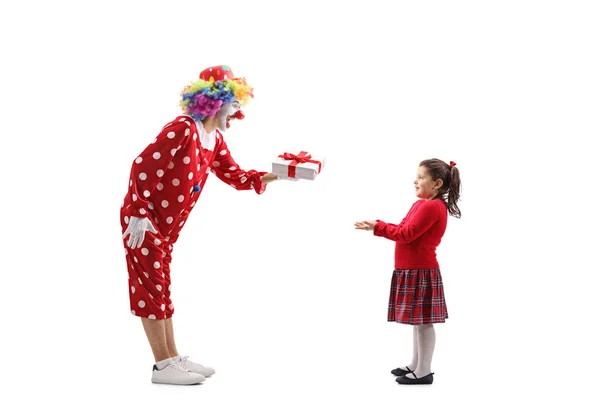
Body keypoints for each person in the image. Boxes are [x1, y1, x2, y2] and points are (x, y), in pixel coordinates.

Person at [120, 65, 294, 385]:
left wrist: (280, 174)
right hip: (143, 221)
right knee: (151, 288)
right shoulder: (183, 129)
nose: (238, 111)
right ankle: (162, 366)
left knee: (161, 288)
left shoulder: (213, 139)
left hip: (166, 227)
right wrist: (137, 213)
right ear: (216, 100)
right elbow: (142, 165)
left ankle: (172, 358)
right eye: (235, 103)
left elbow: (236, 176)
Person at [354, 158, 462, 385]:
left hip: (420, 271)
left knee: (423, 323)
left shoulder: (433, 207)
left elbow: (407, 234)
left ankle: (424, 371)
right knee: (418, 321)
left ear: (437, 183)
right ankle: (416, 365)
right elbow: (403, 228)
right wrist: (379, 225)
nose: (415, 181)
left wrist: (377, 226)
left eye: (421, 177)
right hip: (411, 270)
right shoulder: (421, 204)